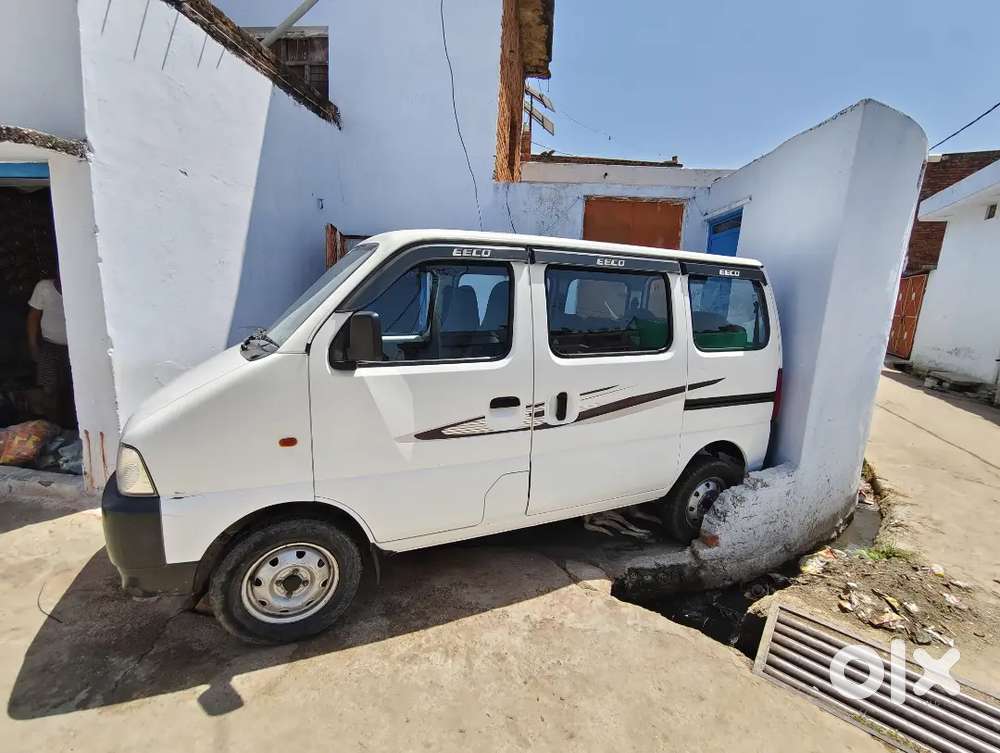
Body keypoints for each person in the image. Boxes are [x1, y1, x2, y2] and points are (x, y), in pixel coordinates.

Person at [27, 272, 75, 427]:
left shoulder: (78, 289)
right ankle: (53, 428)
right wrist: (33, 345)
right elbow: (33, 317)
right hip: (50, 346)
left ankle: (73, 427)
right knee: (49, 390)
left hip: (75, 350)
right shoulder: (44, 288)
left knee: (75, 389)